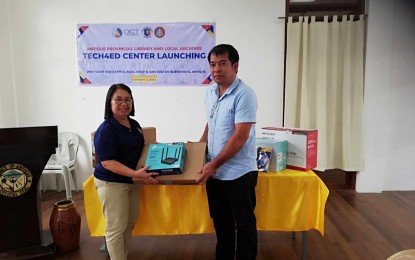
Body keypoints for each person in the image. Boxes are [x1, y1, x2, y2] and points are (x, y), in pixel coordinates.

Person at [197, 44, 258, 260]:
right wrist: (198, 151)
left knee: (244, 226)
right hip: (216, 174)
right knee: (221, 225)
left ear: (235, 66)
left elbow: (240, 136)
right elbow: (210, 124)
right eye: (212, 65)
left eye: (222, 64)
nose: (216, 69)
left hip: (239, 174)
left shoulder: (244, 95)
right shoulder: (210, 92)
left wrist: (214, 164)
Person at [94, 83, 159, 260]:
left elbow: (144, 150)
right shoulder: (106, 129)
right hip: (112, 184)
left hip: (131, 181)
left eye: (128, 99)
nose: (124, 103)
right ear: (110, 103)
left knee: (129, 223)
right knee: (115, 228)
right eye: (119, 99)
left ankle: (122, 256)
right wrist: (136, 175)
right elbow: (107, 162)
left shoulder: (134, 124)